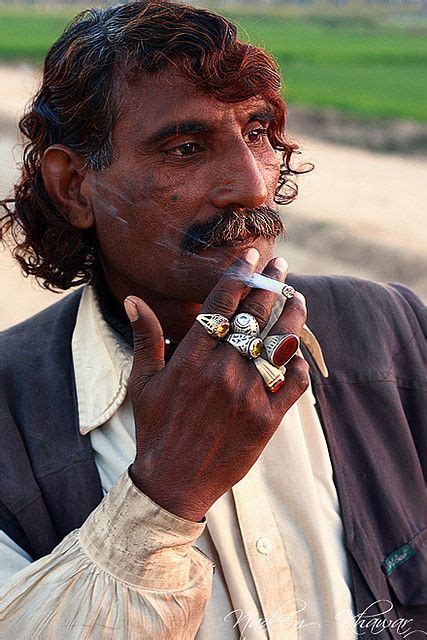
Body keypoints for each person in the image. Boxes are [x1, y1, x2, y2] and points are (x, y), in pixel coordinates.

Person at [0, 2, 425, 638]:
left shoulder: (394, 332)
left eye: (257, 133)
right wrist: (164, 496)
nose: (252, 186)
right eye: (186, 147)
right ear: (73, 186)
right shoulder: (9, 411)